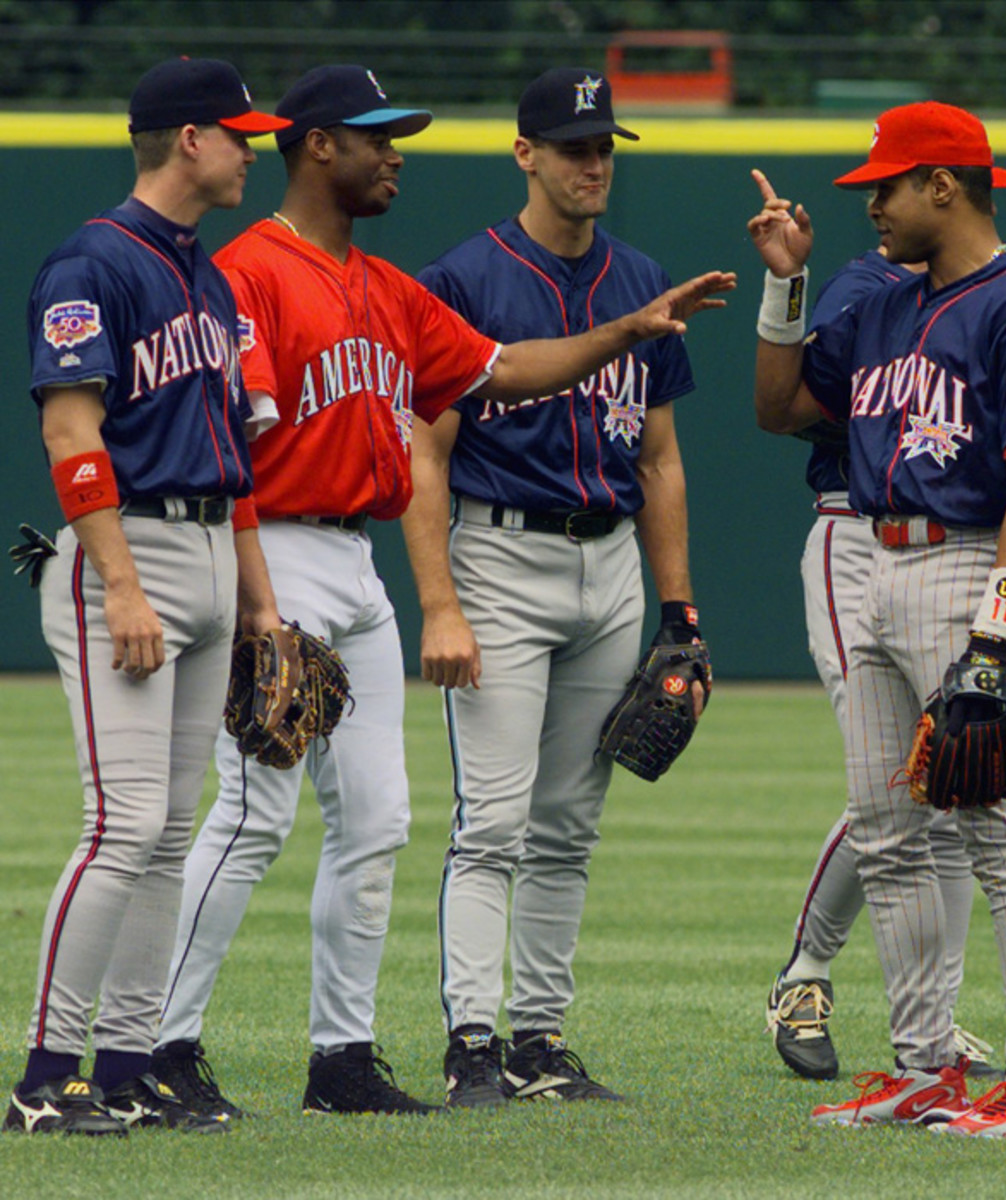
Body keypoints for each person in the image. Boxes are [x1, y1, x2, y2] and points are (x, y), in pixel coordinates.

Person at [150, 63, 733, 1119]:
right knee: (251, 818)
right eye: (377, 137)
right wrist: (256, 602)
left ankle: (341, 1061)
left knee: (378, 822)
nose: (395, 155)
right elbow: (228, 449)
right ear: (318, 145)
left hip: (353, 560)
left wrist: (625, 331)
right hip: (270, 549)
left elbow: (505, 370)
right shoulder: (249, 274)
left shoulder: (385, 287)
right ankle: (161, 1047)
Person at [749, 100, 1006, 1137]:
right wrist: (784, 287)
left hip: (968, 564)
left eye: (886, 187)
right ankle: (925, 1067)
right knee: (889, 833)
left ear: (943, 185)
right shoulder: (886, 305)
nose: (872, 207)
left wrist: (995, 631)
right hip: (878, 563)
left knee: (992, 832)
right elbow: (779, 409)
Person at [402, 66, 708, 1109]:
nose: (593, 163)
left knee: (568, 825)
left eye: (604, 146)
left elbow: (658, 459)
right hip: (500, 555)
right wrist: (440, 602)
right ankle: (471, 1044)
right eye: (573, 147)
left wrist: (679, 611)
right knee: (493, 820)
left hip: (609, 561)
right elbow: (426, 453)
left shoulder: (642, 278)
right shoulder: (463, 279)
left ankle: (538, 1042)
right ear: (524, 154)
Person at [4, 58, 290, 1137]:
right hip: (128, 557)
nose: (253, 150)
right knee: (121, 826)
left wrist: (258, 603)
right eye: (239, 133)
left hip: (212, 550)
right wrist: (120, 585)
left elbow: (233, 457)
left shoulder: (207, 277)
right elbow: (69, 431)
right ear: (189, 140)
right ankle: (43, 1081)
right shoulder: (94, 263)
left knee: (169, 834)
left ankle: (125, 1070)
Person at [764, 245, 1000, 1084]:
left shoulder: (991, 294)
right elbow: (789, 407)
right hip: (854, 530)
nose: (882, 201)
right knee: (900, 780)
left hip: (953, 543)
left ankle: (934, 1019)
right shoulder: (865, 289)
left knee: (957, 775)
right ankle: (804, 973)